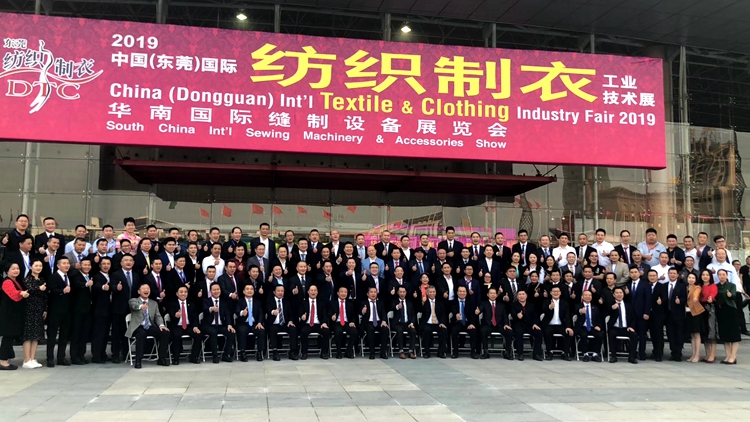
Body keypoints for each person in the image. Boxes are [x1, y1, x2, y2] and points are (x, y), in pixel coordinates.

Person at [126, 283, 170, 368]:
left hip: (149, 326)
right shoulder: (133, 300)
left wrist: (161, 325)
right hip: (138, 326)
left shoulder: (154, 303)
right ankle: (138, 360)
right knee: (141, 334)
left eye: (148, 289)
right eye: (144, 289)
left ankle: (162, 358)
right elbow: (133, 306)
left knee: (165, 333)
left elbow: (158, 316)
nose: (146, 290)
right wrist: (141, 306)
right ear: (139, 291)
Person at [46, 256, 73, 367]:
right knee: (52, 335)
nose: (66, 265)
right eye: (64, 263)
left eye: (68, 263)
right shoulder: (53, 277)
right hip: (55, 310)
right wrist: (62, 291)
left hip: (67, 310)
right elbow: (52, 291)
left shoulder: (70, 276)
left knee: (64, 335)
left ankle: (61, 357)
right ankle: (50, 358)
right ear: (58, 265)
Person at [0, 263, 27, 370]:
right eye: (13, 269)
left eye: (17, 268)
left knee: (10, 337)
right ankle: (3, 361)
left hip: (13, 314)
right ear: (7, 271)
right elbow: (14, 296)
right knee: (7, 337)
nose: (16, 270)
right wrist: (22, 293)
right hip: (8, 315)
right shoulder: (7, 281)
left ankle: (6, 359)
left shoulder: (15, 281)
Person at [167, 285, 202, 364]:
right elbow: (170, 315)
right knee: (176, 335)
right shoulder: (172, 304)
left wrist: (195, 326)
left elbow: (195, 317)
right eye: (181, 292)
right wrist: (175, 315)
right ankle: (176, 358)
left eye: (185, 292)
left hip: (189, 326)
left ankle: (194, 357)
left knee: (198, 335)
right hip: (177, 326)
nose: (183, 294)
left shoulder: (191, 304)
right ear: (177, 294)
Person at [202, 283, 236, 363]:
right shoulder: (206, 300)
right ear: (210, 291)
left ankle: (226, 354)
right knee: (213, 332)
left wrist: (229, 325)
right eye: (214, 290)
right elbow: (204, 309)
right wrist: (211, 309)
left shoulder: (224, 301)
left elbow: (227, 314)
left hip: (220, 325)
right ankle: (215, 355)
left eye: (218, 289)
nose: (216, 291)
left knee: (231, 332)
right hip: (209, 325)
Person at [21, 260, 46, 368]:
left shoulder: (42, 280)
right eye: (36, 266)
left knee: (36, 334)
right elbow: (29, 290)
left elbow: (45, 296)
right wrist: (39, 288)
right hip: (29, 309)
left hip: (39, 309)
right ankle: (27, 359)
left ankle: (32, 358)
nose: (38, 268)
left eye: (40, 266)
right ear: (31, 267)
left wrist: (45, 309)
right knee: (28, 334)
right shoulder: (27, 279)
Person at [478, 287, 513, 360]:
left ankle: (507, 352)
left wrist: (506, 324)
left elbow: (505, 316)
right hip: (488, 325)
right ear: (488, 295)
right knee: (483, 331)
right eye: (491, 293)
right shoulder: (484, 303)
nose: (492, 295)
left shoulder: (501, 305)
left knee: (509, 332)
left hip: (499, 325)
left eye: (494, 293)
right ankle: (485, 352)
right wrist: (478, 311)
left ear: (496, 295)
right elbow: (480, 309)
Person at [234, 283, 266, 362]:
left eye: (251, 289)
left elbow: (261, 313)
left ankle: (259, 352)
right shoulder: (239, 301)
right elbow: (237, 311)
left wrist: (259, 322)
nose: (249, 291)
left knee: (261, 331)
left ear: (254, 291)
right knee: (242, 331)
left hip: (255, 323)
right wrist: (242, 313)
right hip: (243, 323)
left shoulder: (257, 302)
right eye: (247, 289)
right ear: (243, 291)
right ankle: (242, 352)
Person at [541, 285, 574, 361]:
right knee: (547, 333)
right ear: (551, 293)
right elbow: (543, 310)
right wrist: (550, 307)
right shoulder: (546, 301)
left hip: (560, 325)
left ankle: (565, 353)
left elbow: (567, 316)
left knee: (568, 333)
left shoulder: (564, 303)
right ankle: (549, 352)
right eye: (554, 291)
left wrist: (568, 327)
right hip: (549, 324)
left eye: (557, 291)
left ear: (560, 293)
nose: (556, 293)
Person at [510, 290, 544, 361]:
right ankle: (520, 353)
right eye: (520, 294)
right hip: (518, 324)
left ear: (526, 296)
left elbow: (535, 316)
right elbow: (513, 315)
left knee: (538, 332)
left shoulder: (531, 305)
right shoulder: (513, 305)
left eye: (523, 294)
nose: (521, 296)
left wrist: (535, 324)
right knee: (518, 333)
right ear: (517, 296)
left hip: (530, 325)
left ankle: (536, 354)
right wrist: (517, 315)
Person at [607, 287, 638, 364]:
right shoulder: (610, 304)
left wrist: (631, 326)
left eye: (620, 293)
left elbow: (633, 318)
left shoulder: (628, 305)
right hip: (615, 327)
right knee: (611, 334)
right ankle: (613, 356)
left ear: (623, 294)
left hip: (626, 328)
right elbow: (606, 314)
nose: (619, 295)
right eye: (617, 293)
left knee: (634, 335)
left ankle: (632, 357)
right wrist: (612, 308)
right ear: (614, 295)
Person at [267, 284, 298, 361]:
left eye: (282, 291)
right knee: (273, 329)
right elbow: (267, 309)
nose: (280, 292)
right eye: (278, 291)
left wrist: (290, 321)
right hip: (274, 323)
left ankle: (292, 351)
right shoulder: (269, 301)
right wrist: (273, 312)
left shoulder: (286, 302)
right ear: (274, 292)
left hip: (284, 324)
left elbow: (290, 314)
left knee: (293, 329)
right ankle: (275, 351)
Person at [299, 284, 331, 360]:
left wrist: (324, 323)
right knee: (303, 332)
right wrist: (302, 316)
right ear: (308, 292)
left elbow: (324, 315)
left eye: (315, 290)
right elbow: (300, 312)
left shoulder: (321, 303)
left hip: (318, 324)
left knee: (326, 331)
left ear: (317, 292)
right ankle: (304, 353)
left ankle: (324, 353)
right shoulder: (303, 302)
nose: (313, 292)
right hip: (307, 323)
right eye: (311, 290)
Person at [716, 269, 740, 364]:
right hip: (721, 310)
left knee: (733, 334)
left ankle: (733, 356)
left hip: (730, 310)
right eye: (720, 274)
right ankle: (728, 355)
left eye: (723, 274)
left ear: (726, 276)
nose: (722, 276)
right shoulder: (716, 286)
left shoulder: (731, 285)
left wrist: (730, 295)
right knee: (724, 334)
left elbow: (733, 295)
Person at [360, 287, 389, 359]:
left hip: (379, 322)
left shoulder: (380, 303)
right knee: (370, 329)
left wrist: (383, 321)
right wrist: (363, 311)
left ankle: (383, 353)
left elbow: (384, 314)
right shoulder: (363, 303)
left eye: (375, 292)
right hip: (368, 322)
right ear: (367, 294)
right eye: (371, 292)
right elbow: (359, 312)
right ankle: (372, 353)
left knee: (385, 329)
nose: (373, 294)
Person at [450, 285, 479, 359]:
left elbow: (473, 315)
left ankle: (473, 352)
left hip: (468, 322)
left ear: (466, 293)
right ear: (457, 292)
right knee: (454, 331)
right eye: (460, 291)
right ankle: (455, 352)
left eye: (463, 291)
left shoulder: (471, 302)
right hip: (458, 322)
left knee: (473, 331)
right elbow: (452, 311)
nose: (462, 293)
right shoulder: (453, 302)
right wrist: (456, 314)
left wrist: (472, 324)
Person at [665, 268, 687, 361]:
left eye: (674, 273)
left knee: (679, 334)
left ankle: (678, 353)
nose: (672, 275)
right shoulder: (664, 285)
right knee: (670, 334)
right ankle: (673, 352)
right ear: (668, 274)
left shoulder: (682, 286)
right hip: (668, 314)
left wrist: (680, 301)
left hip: (678, 314)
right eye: (670, 273)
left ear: (677, 275)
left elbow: (686, 298)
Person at [420, 285, 448, 358]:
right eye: (430, 292)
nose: (432, 293)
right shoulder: (424, 302)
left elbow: (443, 314)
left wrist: (442, 323)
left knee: (443, 331)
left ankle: (441, 352)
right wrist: (423, 303)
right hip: (428, 323)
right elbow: (420, 312)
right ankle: (427, 352)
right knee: (426, 331)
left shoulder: (440, 303)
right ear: (427, 293)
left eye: (433, 292)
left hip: (438, 323)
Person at [575, 290, 603, 362]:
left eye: (590, 295)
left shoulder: (595, 307)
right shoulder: (578, 306)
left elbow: (599, 319)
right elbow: (575, 311)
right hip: (582, 327)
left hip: (593, 327)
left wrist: (598, 326)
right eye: (586, 295)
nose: (588, 297)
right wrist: (580, 311)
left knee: (599, 335)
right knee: (583, 335)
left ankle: (595, 354)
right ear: (582, 297)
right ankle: (585, 354)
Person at [331, 286, 358, 359]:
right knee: (338, 331)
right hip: (337, 322)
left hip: (347, 322)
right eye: (342, 292)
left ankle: (348, 351)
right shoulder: (333, 303)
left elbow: (353, 315)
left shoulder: (350, 303)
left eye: (345, 292)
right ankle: (338, 351)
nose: (343, 293)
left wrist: (352, 321)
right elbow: (329, 313)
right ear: (338, 293)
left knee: (354, 332)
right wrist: (332, 317)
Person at [392, 285, 417, 359]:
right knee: (399, 330)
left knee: (413, 331)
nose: (402, 294)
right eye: (400, 292)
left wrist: (412, 323)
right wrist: (397, 307)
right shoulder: (394, 301)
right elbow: (390, 308)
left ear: (406, 293)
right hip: (397, 323)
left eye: (403, 292)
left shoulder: (409, 303)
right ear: (398, 293)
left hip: (407, 323)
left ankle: (411, 351)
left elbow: (413, 315)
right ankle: (401, 351)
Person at [699, 269, 719, 363]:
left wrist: (711, 298)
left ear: (710, 276)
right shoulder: (699, 286)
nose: (705, 276)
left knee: (711, 331)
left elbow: (712, 294)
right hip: (700, 309)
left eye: (707, 275)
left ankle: (712, 355)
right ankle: (707, 354)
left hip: (710, 309)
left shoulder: (713, 286)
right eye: (703, 275)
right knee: (704, 332)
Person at [685, 273, 705, 363]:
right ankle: (693, 354)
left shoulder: (697, 287)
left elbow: (696, 294)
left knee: (697, 334)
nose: (691, 279)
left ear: (695, 279)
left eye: (693, 278)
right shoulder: (686, 288)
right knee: (692, 335)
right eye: (689, 277)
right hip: (688, 312)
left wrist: (695, 298)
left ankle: (697, 355)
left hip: (696, 313)